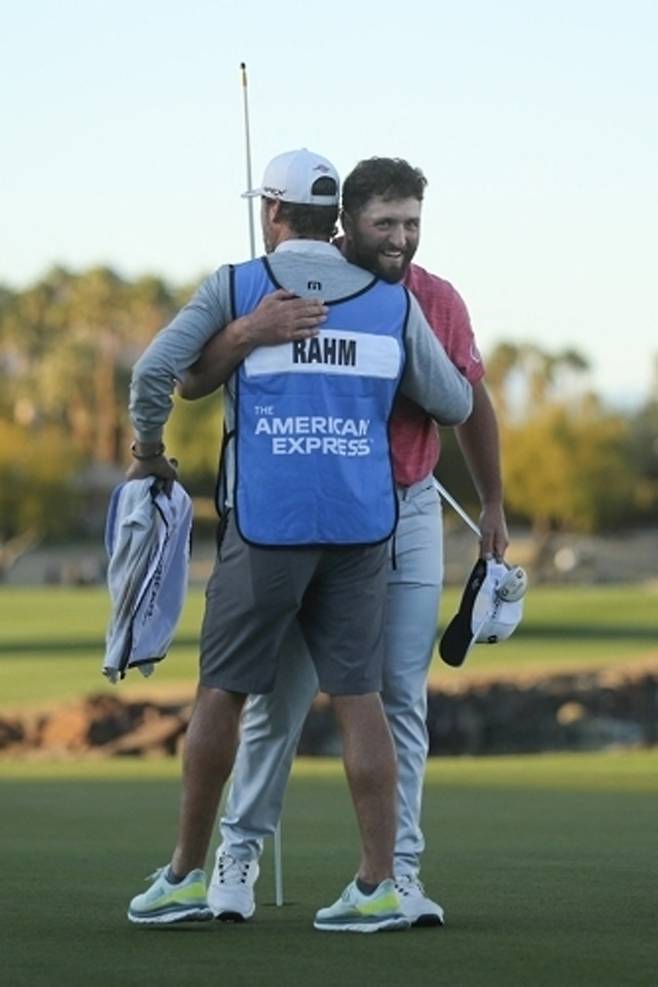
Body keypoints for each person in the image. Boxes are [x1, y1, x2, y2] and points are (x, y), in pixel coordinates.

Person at [125, 148, 473, 933]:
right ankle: (377, 886)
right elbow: (453, 401)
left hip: (267, 527)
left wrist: (149, 452)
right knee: (361, 698)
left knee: (224, 691)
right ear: (334, 218)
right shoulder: (390, 299)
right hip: (362, 528)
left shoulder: (238, 284)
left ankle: (185, 875)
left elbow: (155, 376)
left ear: (273, 211)